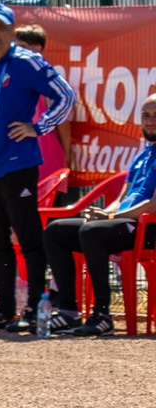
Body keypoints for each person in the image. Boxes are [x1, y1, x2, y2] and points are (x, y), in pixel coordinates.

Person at [0, 1, 76, 334]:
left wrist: (38, 127)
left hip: (19, 164)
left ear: (12, 31)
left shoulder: (27, 63)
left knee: (28, 238)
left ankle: (32, 308)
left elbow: (65, 97)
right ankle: (4, 309)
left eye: (1, 27)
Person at [43, 93, 156, 336]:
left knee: (92, 233)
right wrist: (103, 213)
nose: (150, 121)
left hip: (148, 228)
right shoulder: (142, 156)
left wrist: (111, 220)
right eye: (146, 116)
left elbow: (153, 205)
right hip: (125, 222)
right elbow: (120, 201)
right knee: (56, 231)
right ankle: (68, 311)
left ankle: (102, 314)